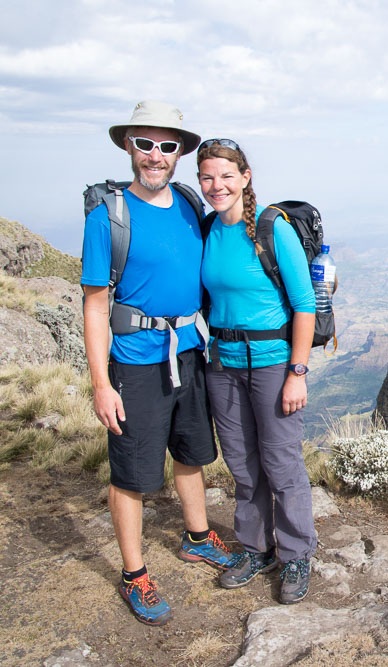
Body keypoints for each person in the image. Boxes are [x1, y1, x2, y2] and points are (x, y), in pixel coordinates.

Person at [81, 101, 233, 626]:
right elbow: (96, 304)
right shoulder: (109, 217)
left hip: (188, 351)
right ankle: (134, 575)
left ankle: (197, 537)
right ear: (128, 147)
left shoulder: (190, 204)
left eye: (166, 146)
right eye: (144, 143)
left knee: (190, 452)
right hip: (135, 360)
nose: (155, 155)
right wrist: (101, 383)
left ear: (178, 154)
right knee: (132, 472)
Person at [196, 137, 318, 604]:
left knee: (281, 464)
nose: (216, 185)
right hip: (222, 364)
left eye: (226, 176)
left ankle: (295, 555)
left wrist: (298, 371)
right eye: (207, 177)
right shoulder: (210, 230)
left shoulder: (271, 228)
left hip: (272, 365)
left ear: (245, 178)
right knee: (243, 466)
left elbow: (304, 304)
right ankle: (255, 548)